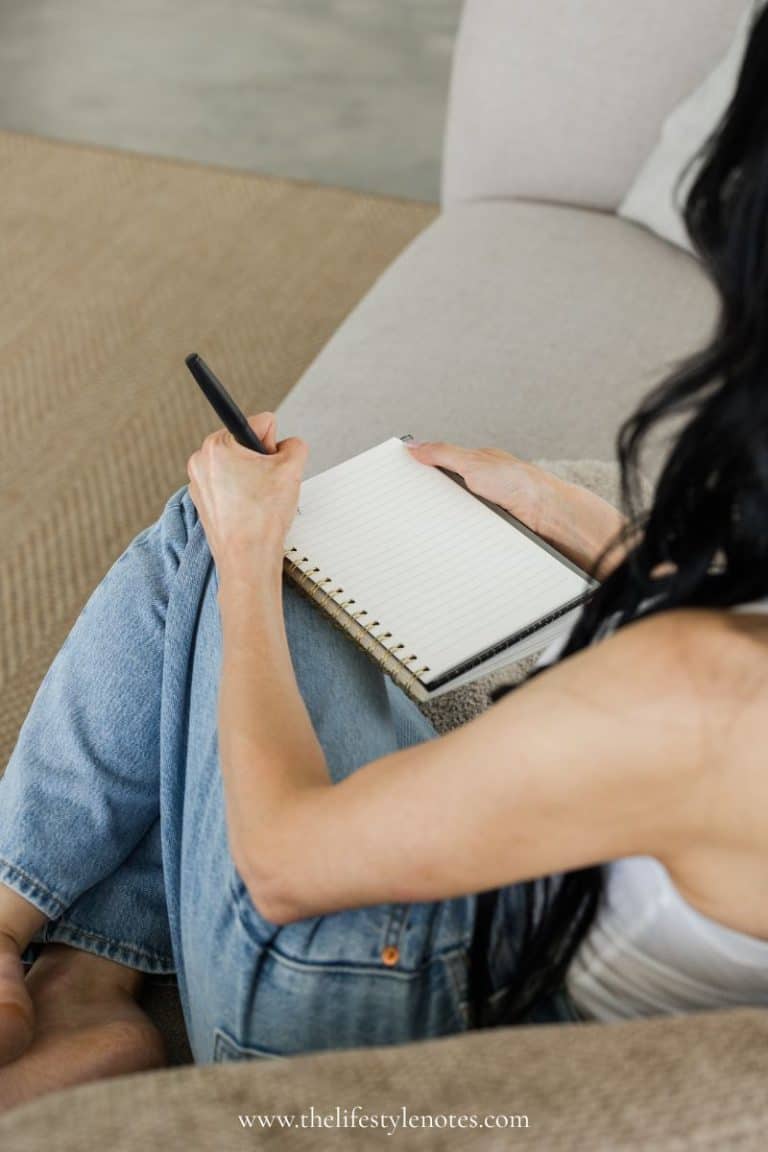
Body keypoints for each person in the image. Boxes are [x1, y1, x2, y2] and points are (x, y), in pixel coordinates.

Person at [1, 6, 768, 1110]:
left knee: (239, 533)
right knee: (275, 529)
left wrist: (252, 564)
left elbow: (285, 861)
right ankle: (85, 990)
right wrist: (597, 534)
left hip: (368, 1019)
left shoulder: (690, 694)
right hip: (514, 947)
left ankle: (21, 921)